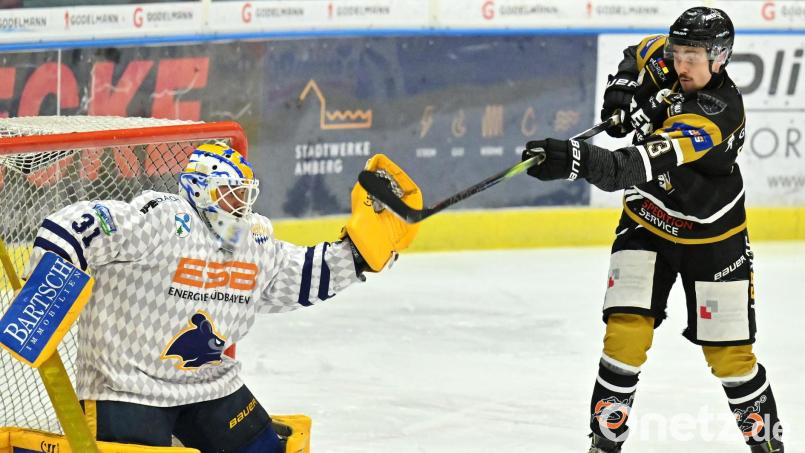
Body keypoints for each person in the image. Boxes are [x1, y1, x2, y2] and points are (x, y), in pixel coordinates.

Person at [25, 142, 422, 452]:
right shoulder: (164, 218)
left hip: (208, 384)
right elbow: (77, 226)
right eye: (231, 195)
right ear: (200, 192)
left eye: (245, 196)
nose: (241, 207)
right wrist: (46, 291)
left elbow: (298, 276)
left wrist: (355, 254)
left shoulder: (254, 238)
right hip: (127, 387)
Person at [520, 7, 784, 453]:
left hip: (714, 238)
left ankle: (769, 448)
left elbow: (634, 165)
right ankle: (603, 447)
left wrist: (576, 160)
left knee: (731, 361)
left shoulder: (718, 112)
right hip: (649, 221)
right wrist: (622, 92)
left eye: (693, 57)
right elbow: (635, 56)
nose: (681, 65)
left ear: (719, 58)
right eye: (678, 52)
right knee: (625, 335)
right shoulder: (666, 57)